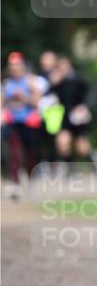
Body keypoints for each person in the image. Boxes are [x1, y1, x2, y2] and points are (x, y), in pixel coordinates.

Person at [1, 51, 44, 197]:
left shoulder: (30, 81)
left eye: (17, 66)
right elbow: (2, 103)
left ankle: (30, 178)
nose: (15, 69)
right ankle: (15, 183)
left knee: (30, 153)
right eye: (12, 66)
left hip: (29, 122)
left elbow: (37, 101)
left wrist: (24, 97)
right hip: (13, 122)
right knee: (14, 153)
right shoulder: (7, 83)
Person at [49, 56, 93, 164]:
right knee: (62, 143)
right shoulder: (59, 83)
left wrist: (84, 106)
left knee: (81, 147)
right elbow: (50, 96)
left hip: (79, 117)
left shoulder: (78, 80)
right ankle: (69, 169)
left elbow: (91, 93)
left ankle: (94, 161)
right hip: (65, 117)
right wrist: (53, 84)